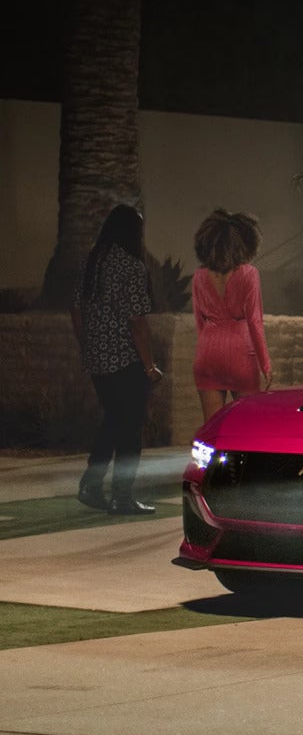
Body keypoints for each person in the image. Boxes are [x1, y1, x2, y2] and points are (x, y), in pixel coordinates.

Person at [69, 205, 166, 515]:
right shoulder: (131, 267)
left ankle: (91, 484)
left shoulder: (91, 263)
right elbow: (137, 322)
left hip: (98, 360)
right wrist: (149, 366)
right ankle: (121, 495)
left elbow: (76, 310)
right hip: (125, 360)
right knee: (129, 429)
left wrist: (87, 346)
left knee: (112, 420)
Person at [190, 210, 270, 428]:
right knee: (248, 425)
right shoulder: (249, 274)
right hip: (240, 353)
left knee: (212, 427)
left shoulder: (199, 276)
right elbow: (255, 322)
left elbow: (199, 321)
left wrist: (208, 345)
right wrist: (265, 364)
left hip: (208, 353)